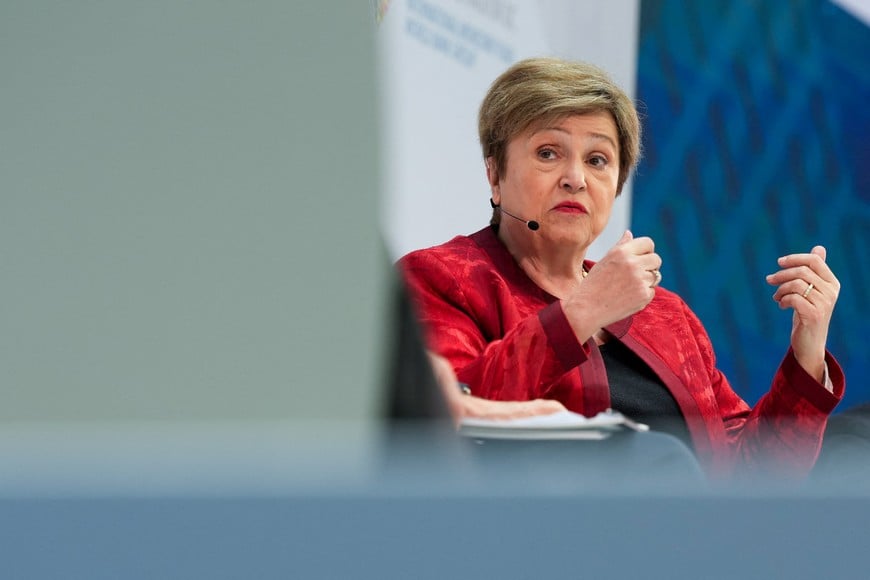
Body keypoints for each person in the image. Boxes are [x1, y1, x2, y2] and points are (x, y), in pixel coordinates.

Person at [397, 57, 844, 480]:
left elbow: (748, 478)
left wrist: (807, 353)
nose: (576, 178)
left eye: (597, 160)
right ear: (495, 176)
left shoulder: (668, 317)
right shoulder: (442, 278)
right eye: (549, 153)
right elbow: (442, 420)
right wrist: (580, 313)